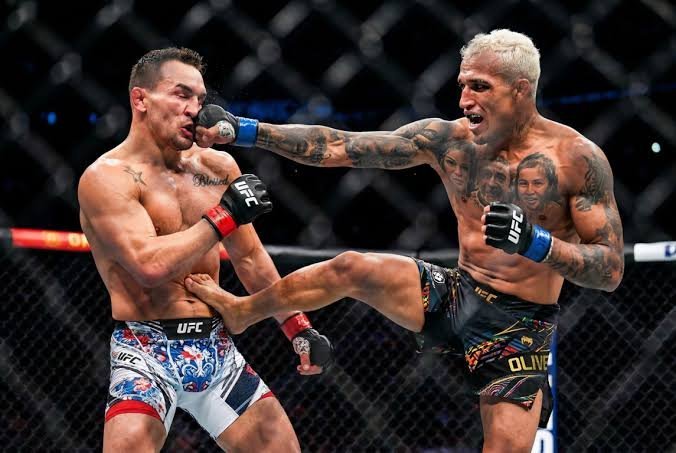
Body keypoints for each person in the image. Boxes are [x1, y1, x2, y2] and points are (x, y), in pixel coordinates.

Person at [190, 29, 624, 452]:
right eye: (462, 85)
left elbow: (609, 269)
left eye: (479, 87)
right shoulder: (450, 140)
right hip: (457, 292)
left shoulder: (576, 159)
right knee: (352, 267)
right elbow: (343, 146)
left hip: (521, 322)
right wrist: (245, 130)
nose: (464, 100)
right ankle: (244, 311)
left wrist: (535, 243)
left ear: (520, 90)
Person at [78, 47, 332, 453]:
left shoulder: (217, 167)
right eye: (181, 95)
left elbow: (250, 259)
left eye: (199, 98)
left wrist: (296, 327)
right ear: (141, 99)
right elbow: (148, 265)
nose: (194, 109)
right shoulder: (107, 178)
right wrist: (224, 215)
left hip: (216, 348)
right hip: (145, 351)